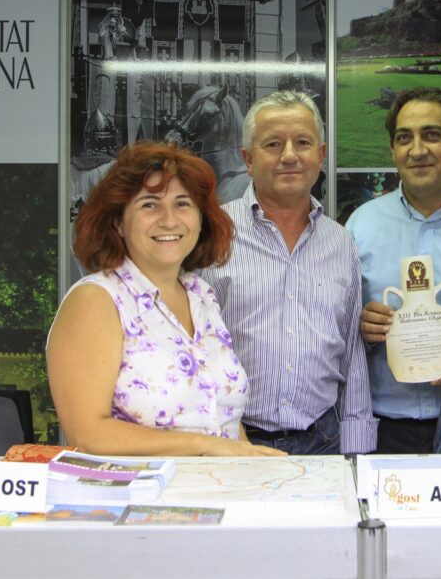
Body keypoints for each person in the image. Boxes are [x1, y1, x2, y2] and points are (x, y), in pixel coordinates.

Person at [47, 142, 283, 457]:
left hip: (220, 496)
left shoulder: (201, 295)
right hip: (137, 501)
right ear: (118, 221)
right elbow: (88, 433)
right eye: (149, 205)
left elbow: (220, 414)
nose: (169, 220)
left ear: (201, 219)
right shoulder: (96, 300)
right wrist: (205, 446)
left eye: (183, 204)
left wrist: (248, 457)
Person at [201, 90, 377, 455]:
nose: (289, 156)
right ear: (248, 160)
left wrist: (357, 449)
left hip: (324, 440)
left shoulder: (340, 241)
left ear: (321, 155)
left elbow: (350, 351)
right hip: (234, 441)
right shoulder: (211, 233)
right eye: (272, 144)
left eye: (302, 143)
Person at [346, 87, 441, 454]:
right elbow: (336, 326)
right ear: (393, 150)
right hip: (384, 427)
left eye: (432, 135)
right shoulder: (361, 225)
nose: (417, 150)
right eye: (404, 138)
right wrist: (360, 327)